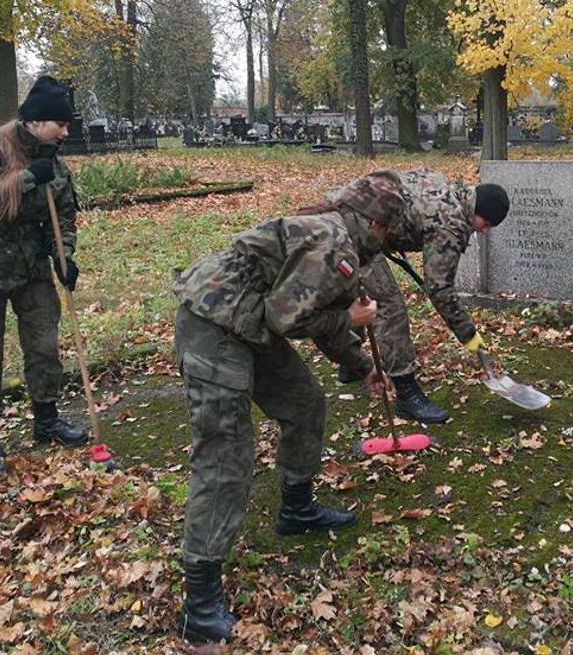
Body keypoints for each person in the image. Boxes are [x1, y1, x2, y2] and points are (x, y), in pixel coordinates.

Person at [172, 173, 404, 645]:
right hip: (214, 323)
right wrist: (351, 318)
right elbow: (288, 317)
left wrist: (362, 366)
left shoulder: (340, 242)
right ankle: (199, 600)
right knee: (226, 454)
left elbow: (312, 318)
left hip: (250, 322)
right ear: (374, 223)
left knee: (304, 402)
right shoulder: (333, 243)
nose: (390, 238)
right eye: (389, 228)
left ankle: (296, 510)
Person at [0, 75, 88, 474]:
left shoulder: (55, 163)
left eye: (66, 125)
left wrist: (64, 257)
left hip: (31, 269)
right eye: (59, 124)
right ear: (34, 121)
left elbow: (63, 215)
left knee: (45, 344)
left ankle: (46, 420)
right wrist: (28, 177)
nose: (65, 132)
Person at [325, 168, 510, 423]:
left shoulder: (447, 190)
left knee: (361, 294)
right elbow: (440, 289)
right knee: (390, 306)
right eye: (486, 224)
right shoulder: (451, 222)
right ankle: (406, 393)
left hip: (344, 212)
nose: (485, 231)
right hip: (351, 230)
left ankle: (351, 365)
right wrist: (469, 336)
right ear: (476, 210)